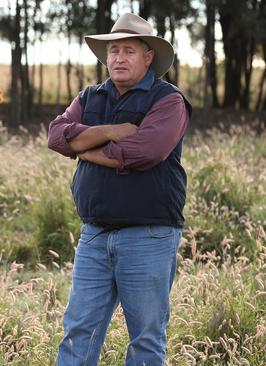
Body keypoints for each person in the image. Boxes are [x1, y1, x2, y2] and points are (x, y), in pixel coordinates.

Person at [47, 13, 192, 365]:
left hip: (149, 236)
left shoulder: (167, 101)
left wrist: (83, 146)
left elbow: (145, 151)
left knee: (145, 338)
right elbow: (56, 135)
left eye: (128, 50)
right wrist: (112, 132)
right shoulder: (90, 96)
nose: (118, 58)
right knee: (79, 332)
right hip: (94, 236)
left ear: (148, 57)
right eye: (113, 51)